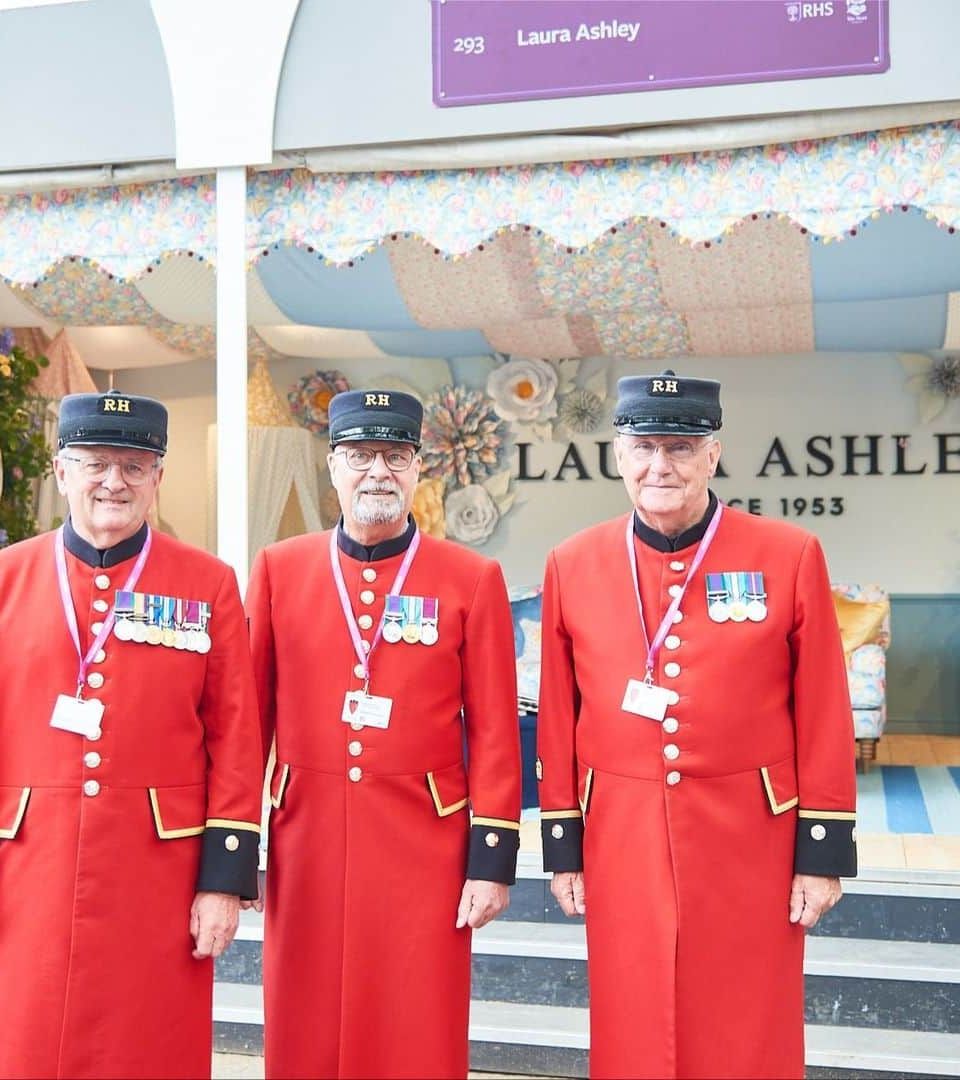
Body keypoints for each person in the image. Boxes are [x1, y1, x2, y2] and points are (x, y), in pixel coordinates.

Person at [0, 390, 264, 1079]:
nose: (114, 481)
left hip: (159, 875)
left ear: (158, 478)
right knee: (28, 1037)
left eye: (135, 466)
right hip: (29, 868)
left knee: (152, 1043)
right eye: (95, 463)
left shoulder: (209, 584)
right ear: (62, 471)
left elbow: (235, 735)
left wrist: (223, 878)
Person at [537, 370, 857, 1079]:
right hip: (621, 834)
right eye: (645, 446)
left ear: (712, 455)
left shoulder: (789, 554)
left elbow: (825, 707)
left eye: (681, 447)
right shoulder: (573, 562)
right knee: (632, 1008)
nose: (661, 466)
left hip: (754, 835)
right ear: (618, 455)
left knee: (748, 1011)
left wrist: (824, 849)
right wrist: (563, 842)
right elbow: (560, 713)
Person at [247, 388, 522, 1079]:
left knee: (415, 1012)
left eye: (395, 456)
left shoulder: (472, 577)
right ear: (333, 467)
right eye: (362, 455)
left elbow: (493, 728)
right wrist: (232, 843)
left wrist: (490, 859)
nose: (378, 472)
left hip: (424, 838)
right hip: (304, 831)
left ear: (418, 467)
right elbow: (246, 717)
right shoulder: (281, 569)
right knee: (303, 1006)